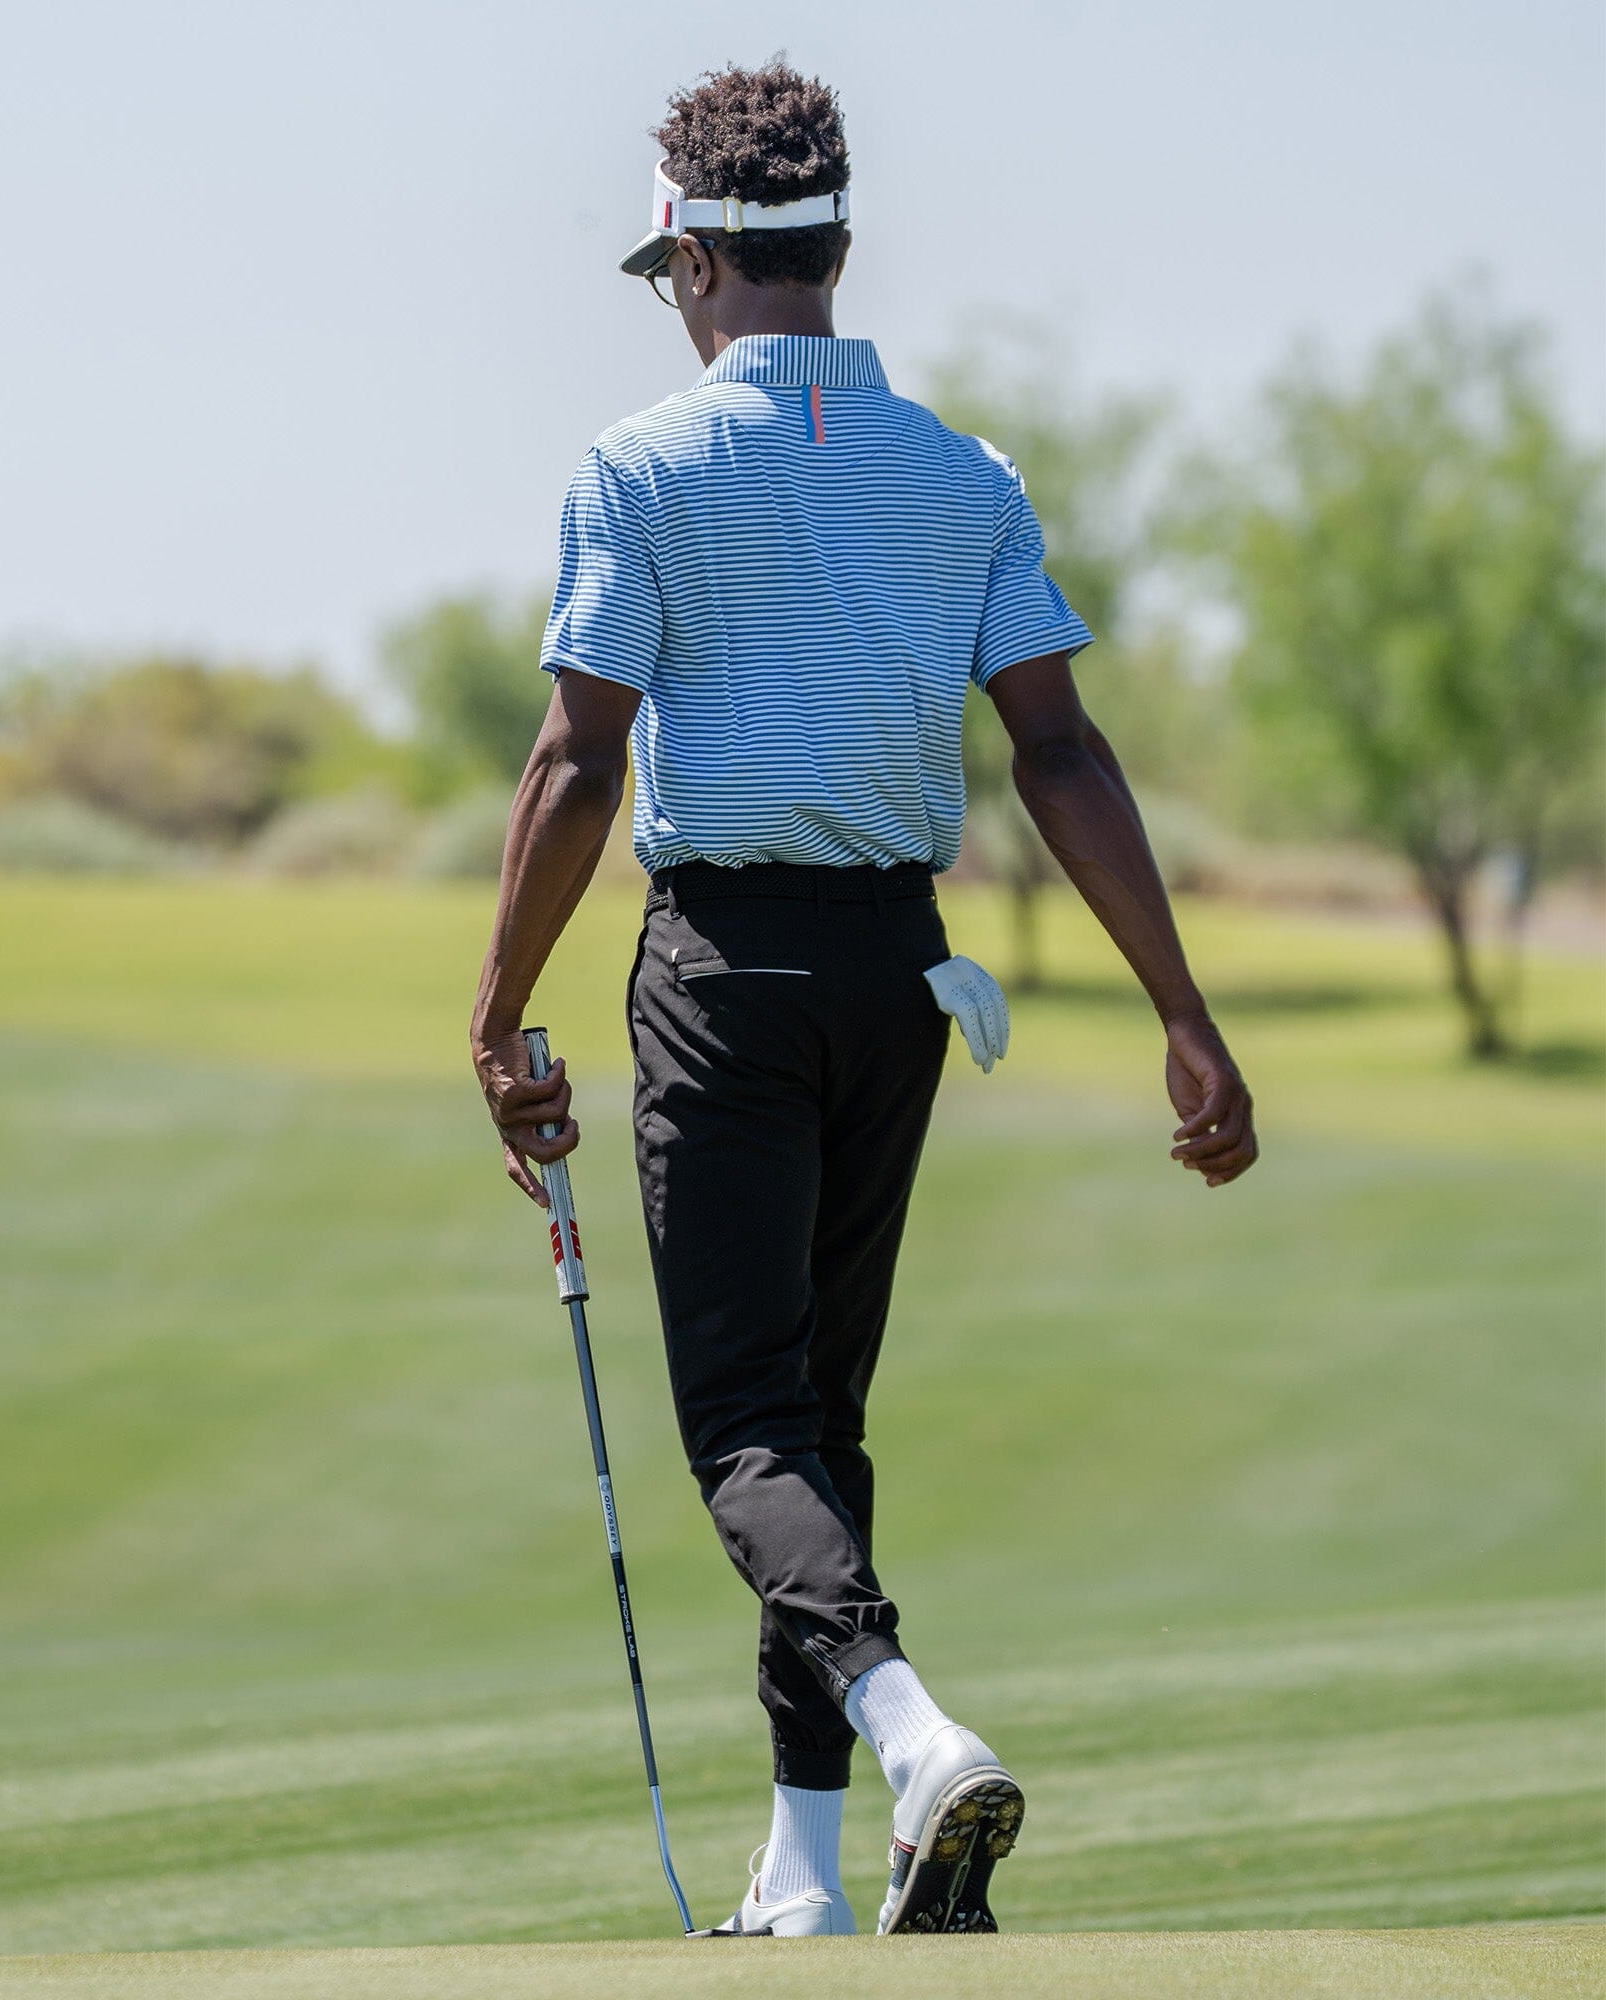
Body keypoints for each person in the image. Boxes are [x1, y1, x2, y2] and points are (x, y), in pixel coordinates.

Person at [470, 60, 1257, 1939]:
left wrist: (497, 1016)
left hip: (725, 981)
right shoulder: (962, 475)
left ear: (695, 267)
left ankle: (911, 1740)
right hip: (901, 975)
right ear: (835, 246)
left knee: (747, 1425)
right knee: (818, 1422)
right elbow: (1060, 752)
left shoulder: (640, 469)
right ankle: (807, 1879)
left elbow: (578, 764)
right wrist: (1186, 1009)